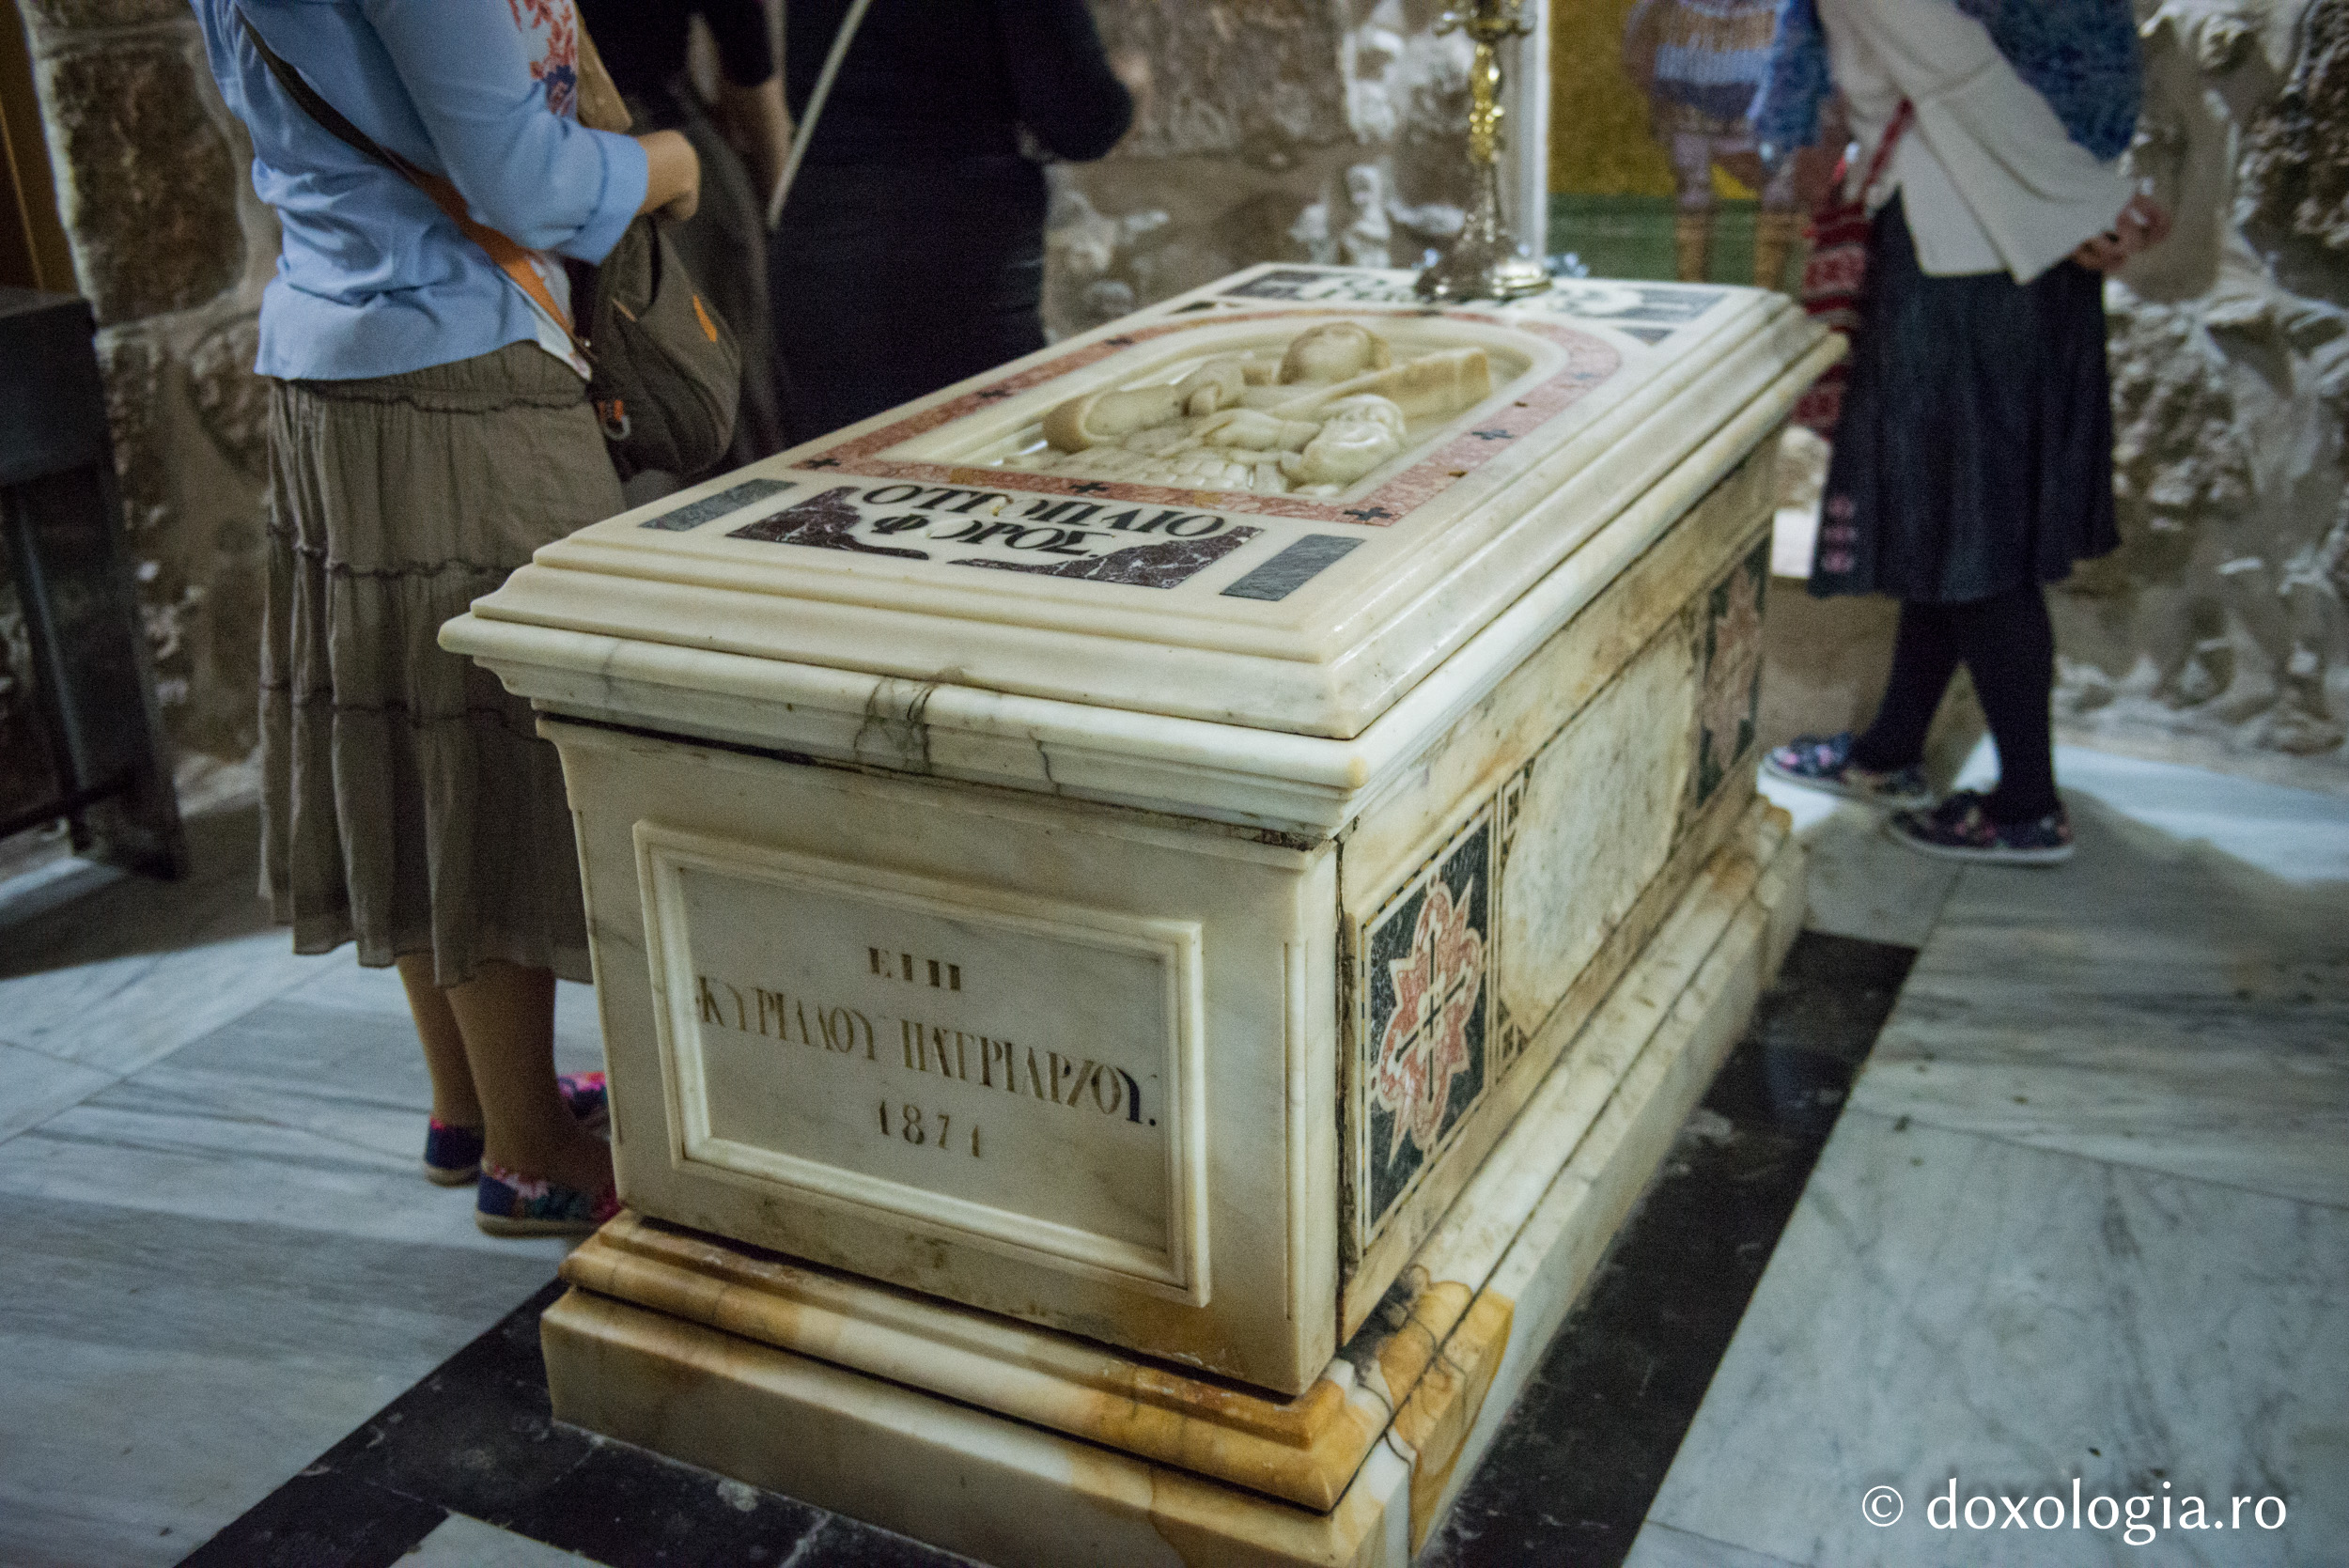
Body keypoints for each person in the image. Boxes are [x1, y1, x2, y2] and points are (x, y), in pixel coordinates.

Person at [191, 0, 701, 1232]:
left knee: (411, 746)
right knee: (488, 749)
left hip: (336, 358)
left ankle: (472, 1102)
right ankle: (529, 1150)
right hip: (456, 374)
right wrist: (669, 165)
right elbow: (525, 183)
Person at [1756, 0, 2169, 865]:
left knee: (1973, 535)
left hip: (1967, 253)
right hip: (2006, 241)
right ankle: (1888, 753)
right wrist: (2084, 195)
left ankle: (2027, 804)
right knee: (1950, 526)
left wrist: (2084, 199)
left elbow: (1959, 69)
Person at [770, 0, 1138, 443]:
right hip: (955, 256)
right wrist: (1131, 88)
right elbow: (1081, 117)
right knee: (984, 467)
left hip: (823, 238)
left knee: (840, 480)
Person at [574, 0, 792, 467]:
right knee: (724, 412)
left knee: (632, 412)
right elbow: (748, 60)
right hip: (666, 150)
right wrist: (771, 195)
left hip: (567, 155)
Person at [1622, 0, 1805, 287]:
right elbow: (1639, 48)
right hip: (1687, 70)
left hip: (1765, 67)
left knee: (1779, 189)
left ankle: (1767, 296)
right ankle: (1692, 290)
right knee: (1693, 189)